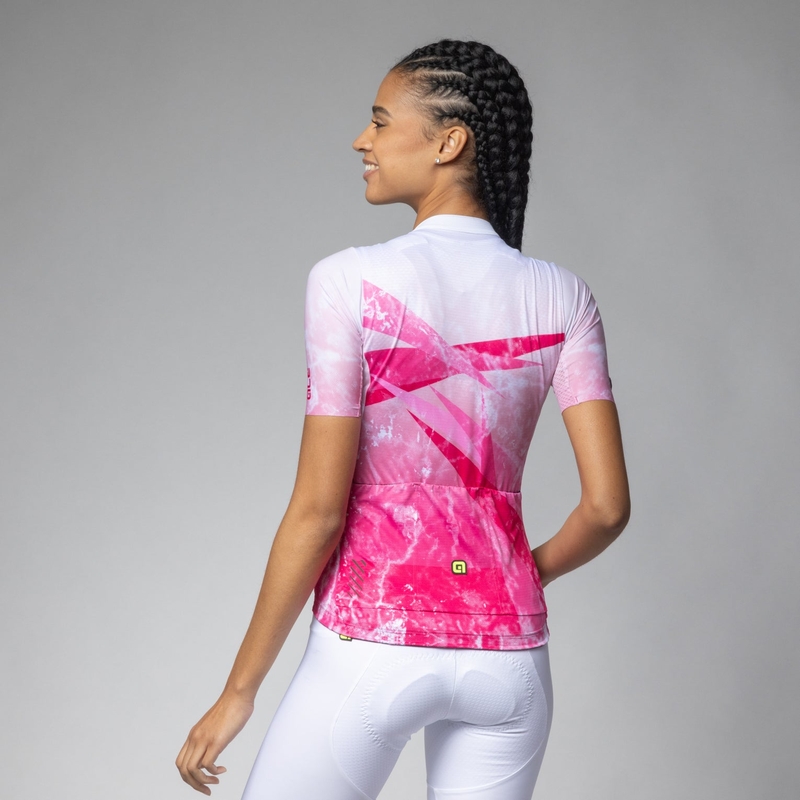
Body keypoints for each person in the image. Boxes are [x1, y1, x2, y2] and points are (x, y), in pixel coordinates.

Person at [176, 39, 630, 800]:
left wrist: (238, 692)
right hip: (509, 660)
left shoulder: (348, 281)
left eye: (381, 122)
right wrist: (525, 571)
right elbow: (608, 508)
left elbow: (319, 512)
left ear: (449, 143)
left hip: (371, 643)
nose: (363, 140)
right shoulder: (563, 296)